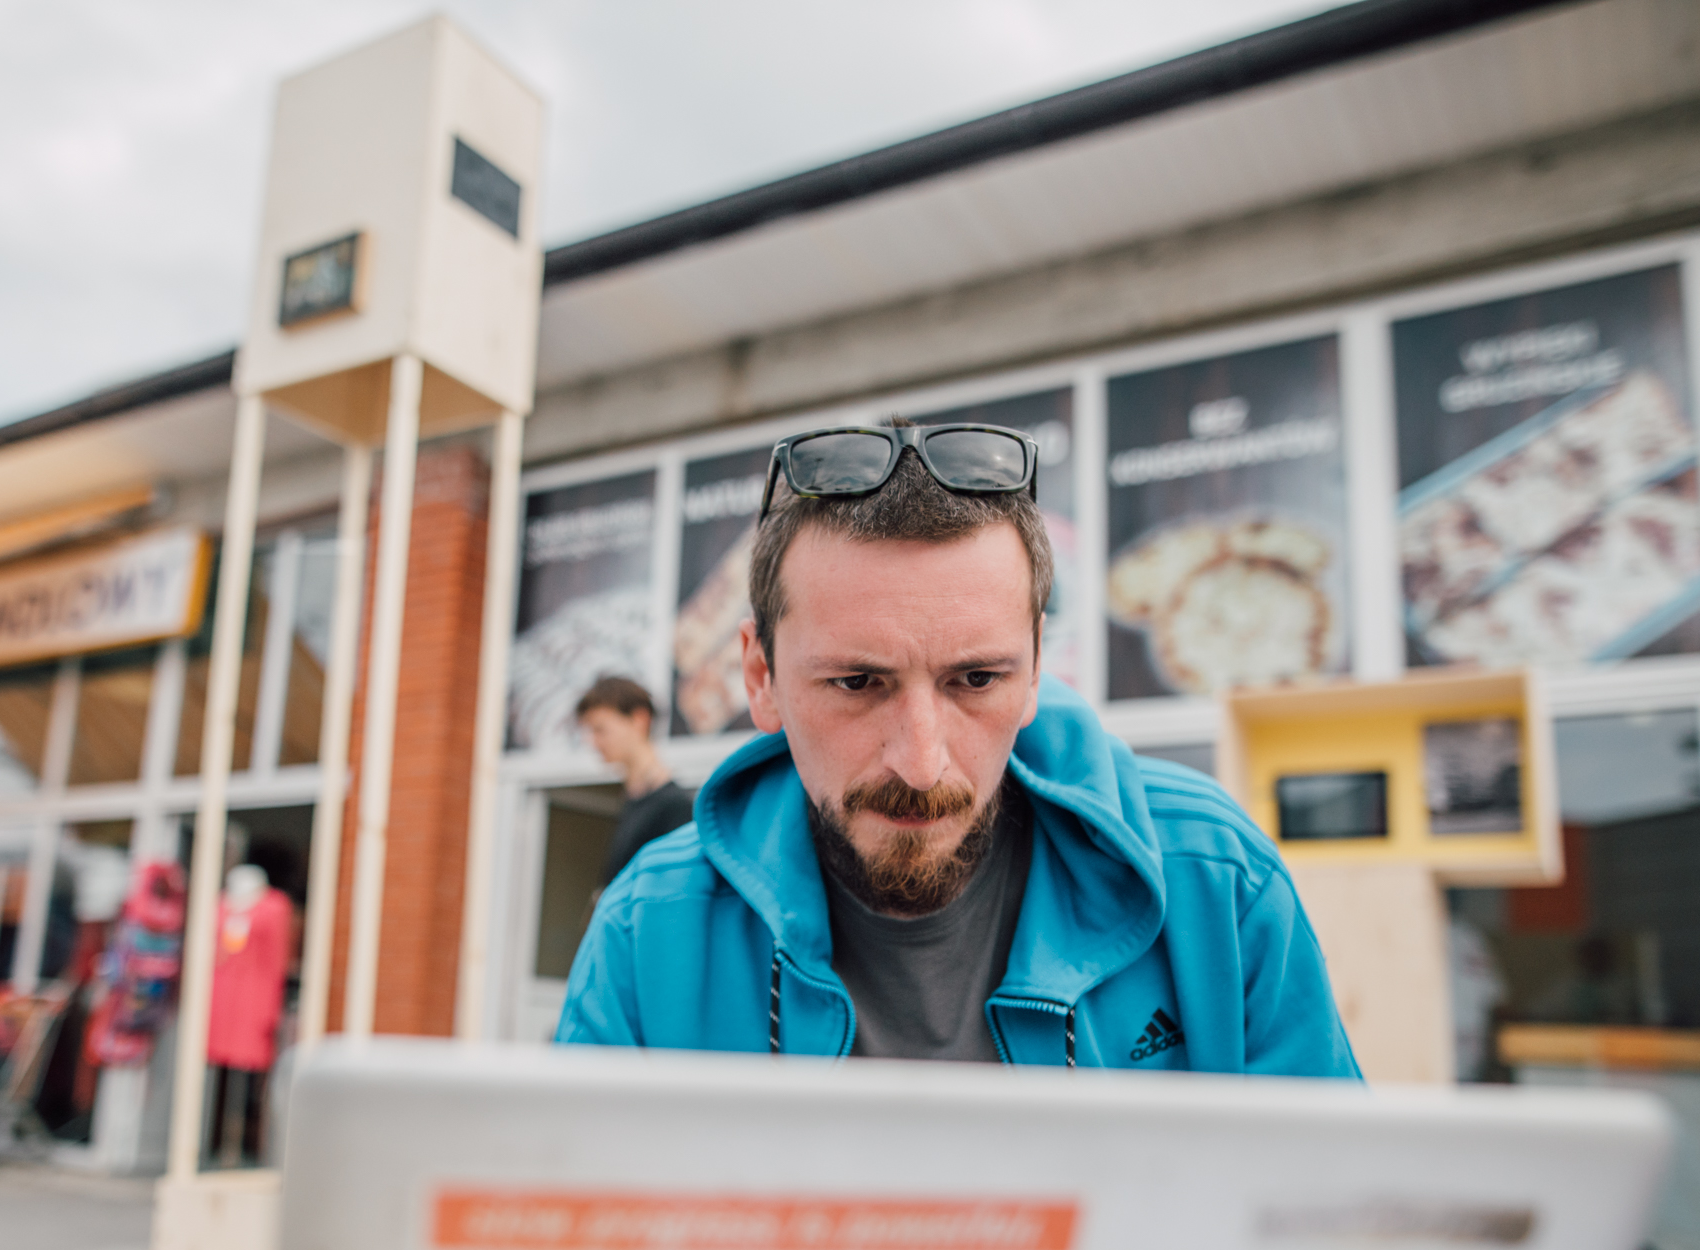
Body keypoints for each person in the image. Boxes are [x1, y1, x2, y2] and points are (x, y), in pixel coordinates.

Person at [557, 417, 1359, 1076]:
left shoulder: (1214, 882)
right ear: (760, 676)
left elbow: (1331, 1215)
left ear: (1036, 667)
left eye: (976, 679)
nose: (922, 762)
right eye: (857, 682)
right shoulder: (649, 934)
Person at [575, 676, 695, 886]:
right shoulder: (633, 799)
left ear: (639, 720)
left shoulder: (675, 806)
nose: (593, 742)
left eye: (600, 729)